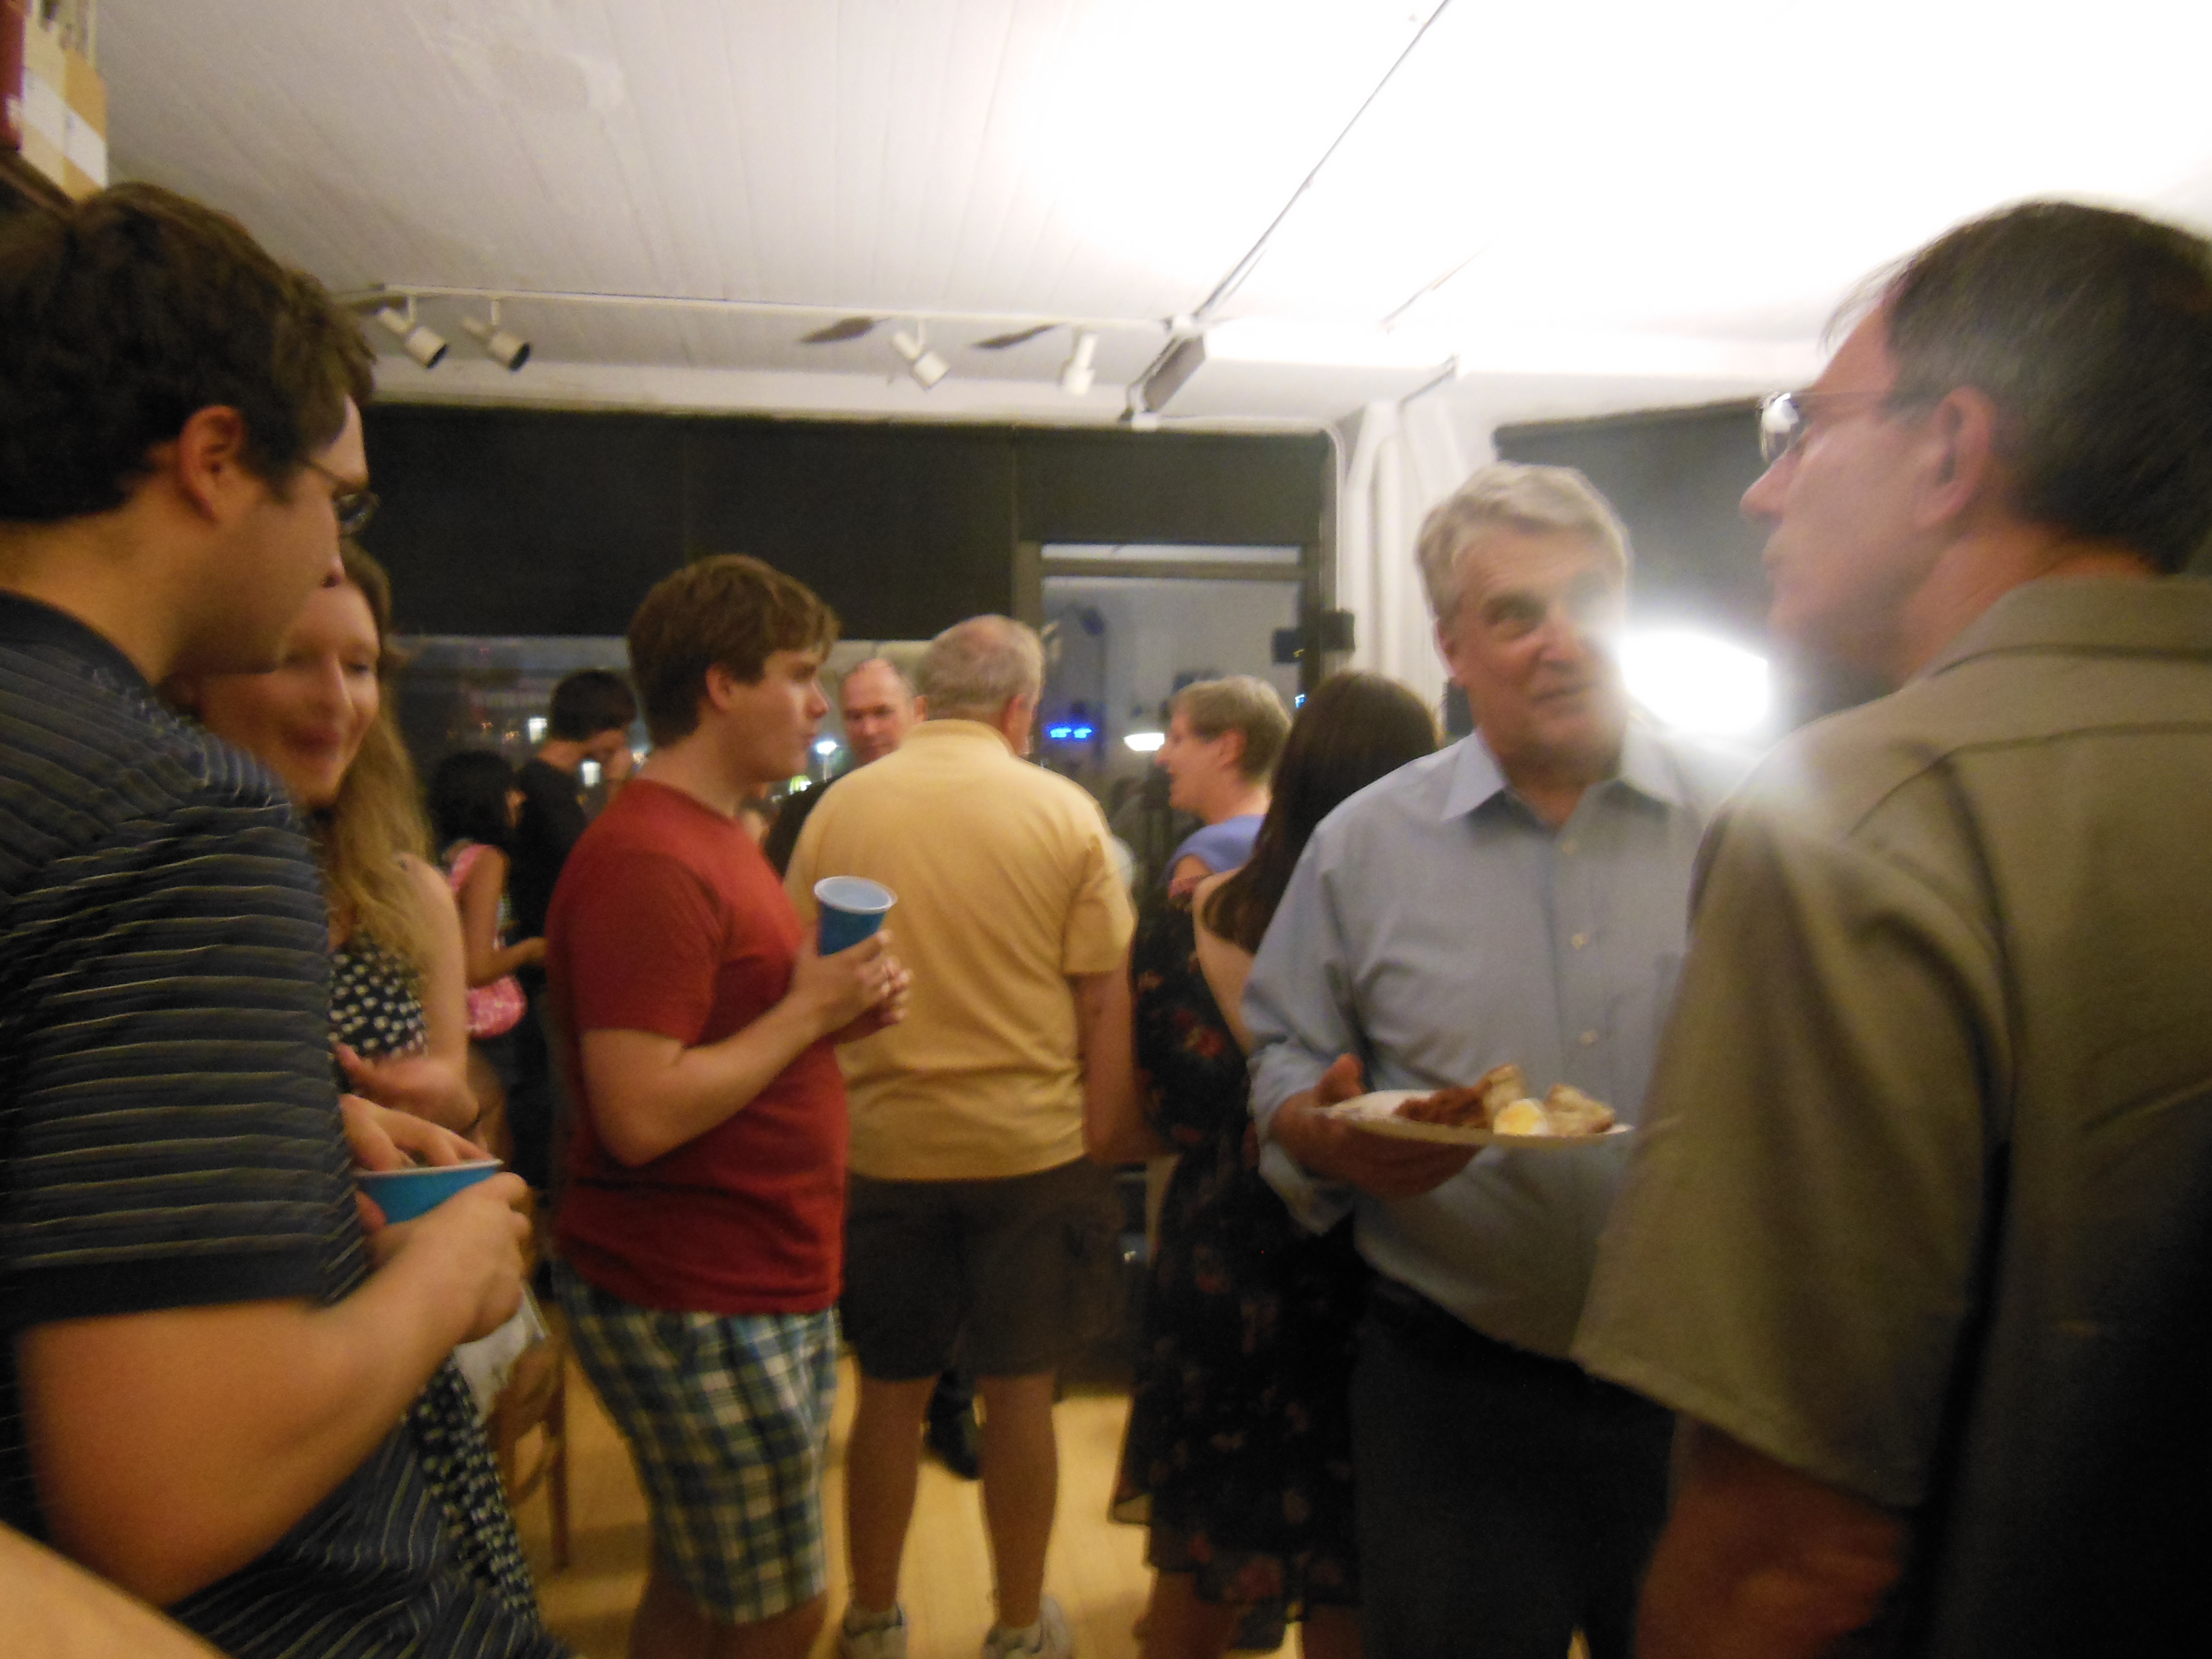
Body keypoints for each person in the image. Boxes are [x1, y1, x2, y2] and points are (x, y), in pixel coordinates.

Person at [1573, 202, 2212, 1659]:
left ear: (1950, 451)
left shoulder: (1869, 816)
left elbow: (1784, 1553)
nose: (1764, 492)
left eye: (1804, 426)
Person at [0, 182, 545, 1657]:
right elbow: (172, 1486)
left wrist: (295, 1132)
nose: (330, 559)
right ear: (217, 460)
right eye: (335, 502)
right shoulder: (177, 810)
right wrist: (448, 1277)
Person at [1242, 462, 1746, 1659]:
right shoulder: (1365, 846)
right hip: (1453, 1398)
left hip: (1711, 1396)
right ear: (1452, 649)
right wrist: (1317, 1132)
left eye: (1589, 601)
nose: (1561, 641)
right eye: (1516, 614)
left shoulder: (1750, 817)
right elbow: (1286, 1055)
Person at [548, 554, 907, 1659]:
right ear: (720, 684)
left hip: (738, 1271)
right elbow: (641, 1112)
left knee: (699, 1580)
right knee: (779, 1610)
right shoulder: (653, 857)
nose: (818, 705)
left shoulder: (713, 834)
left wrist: (827, 1012)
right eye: (798, 675)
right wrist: (806, 1013)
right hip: (701, 1285)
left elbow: (716, 1040)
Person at [179, 541, 549, 1614]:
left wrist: (442, 1099)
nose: (338, 698)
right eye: (295, 658)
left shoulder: (407, 891)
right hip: (247, 1349)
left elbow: (458, 1101)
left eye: (361, 666)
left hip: (393, 1322)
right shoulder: (180, 886)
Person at [787, 615, 1136, 1659]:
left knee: (887, 1398)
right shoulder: (1064, 814)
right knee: (1019, 1396)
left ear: (927, 698)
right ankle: (1019, 1626)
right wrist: (1107, 1138)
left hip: (882, 1144)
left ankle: (872, 1620)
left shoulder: (841, 809)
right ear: (1021, 707)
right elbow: (1101, 1001)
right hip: (1029, 1148)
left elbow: (798, 977)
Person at [1092, 673, 1439, 1659]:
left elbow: (1113, 1128)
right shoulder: (1418, 932)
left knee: (1199, 1572)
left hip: (1224, 1263)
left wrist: (1221, 1127)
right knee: (1352, 1580)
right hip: (1383, 1269)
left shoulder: (1183, 916)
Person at [507, 665, 638, 1189]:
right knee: (565, 1112)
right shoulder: (548, 789)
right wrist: (617, 785)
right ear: (600, 728)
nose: (624, 742)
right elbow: (600, 865)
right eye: (621, 729)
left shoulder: (539, 784)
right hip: (548, 971)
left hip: (544, 967)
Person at [429, 747, 548, 1154]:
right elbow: (478, 967)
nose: (519, 798)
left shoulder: (447, 856)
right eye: (509, 789)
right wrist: (531, 949)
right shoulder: (488, 860)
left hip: (445, 1014)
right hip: (484, 1023)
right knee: (493, 1132)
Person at [762, 655, 920, 876]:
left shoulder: (945, 802)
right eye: (855, 717)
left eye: (882, 713)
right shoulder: (806, 810)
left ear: (919, 712)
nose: (868, 730)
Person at [1153, 675, 1290, 898]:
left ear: (1229, 748)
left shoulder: (1207, 855)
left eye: (1177, 739)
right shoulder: (1292, 837)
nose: (1161, 758)